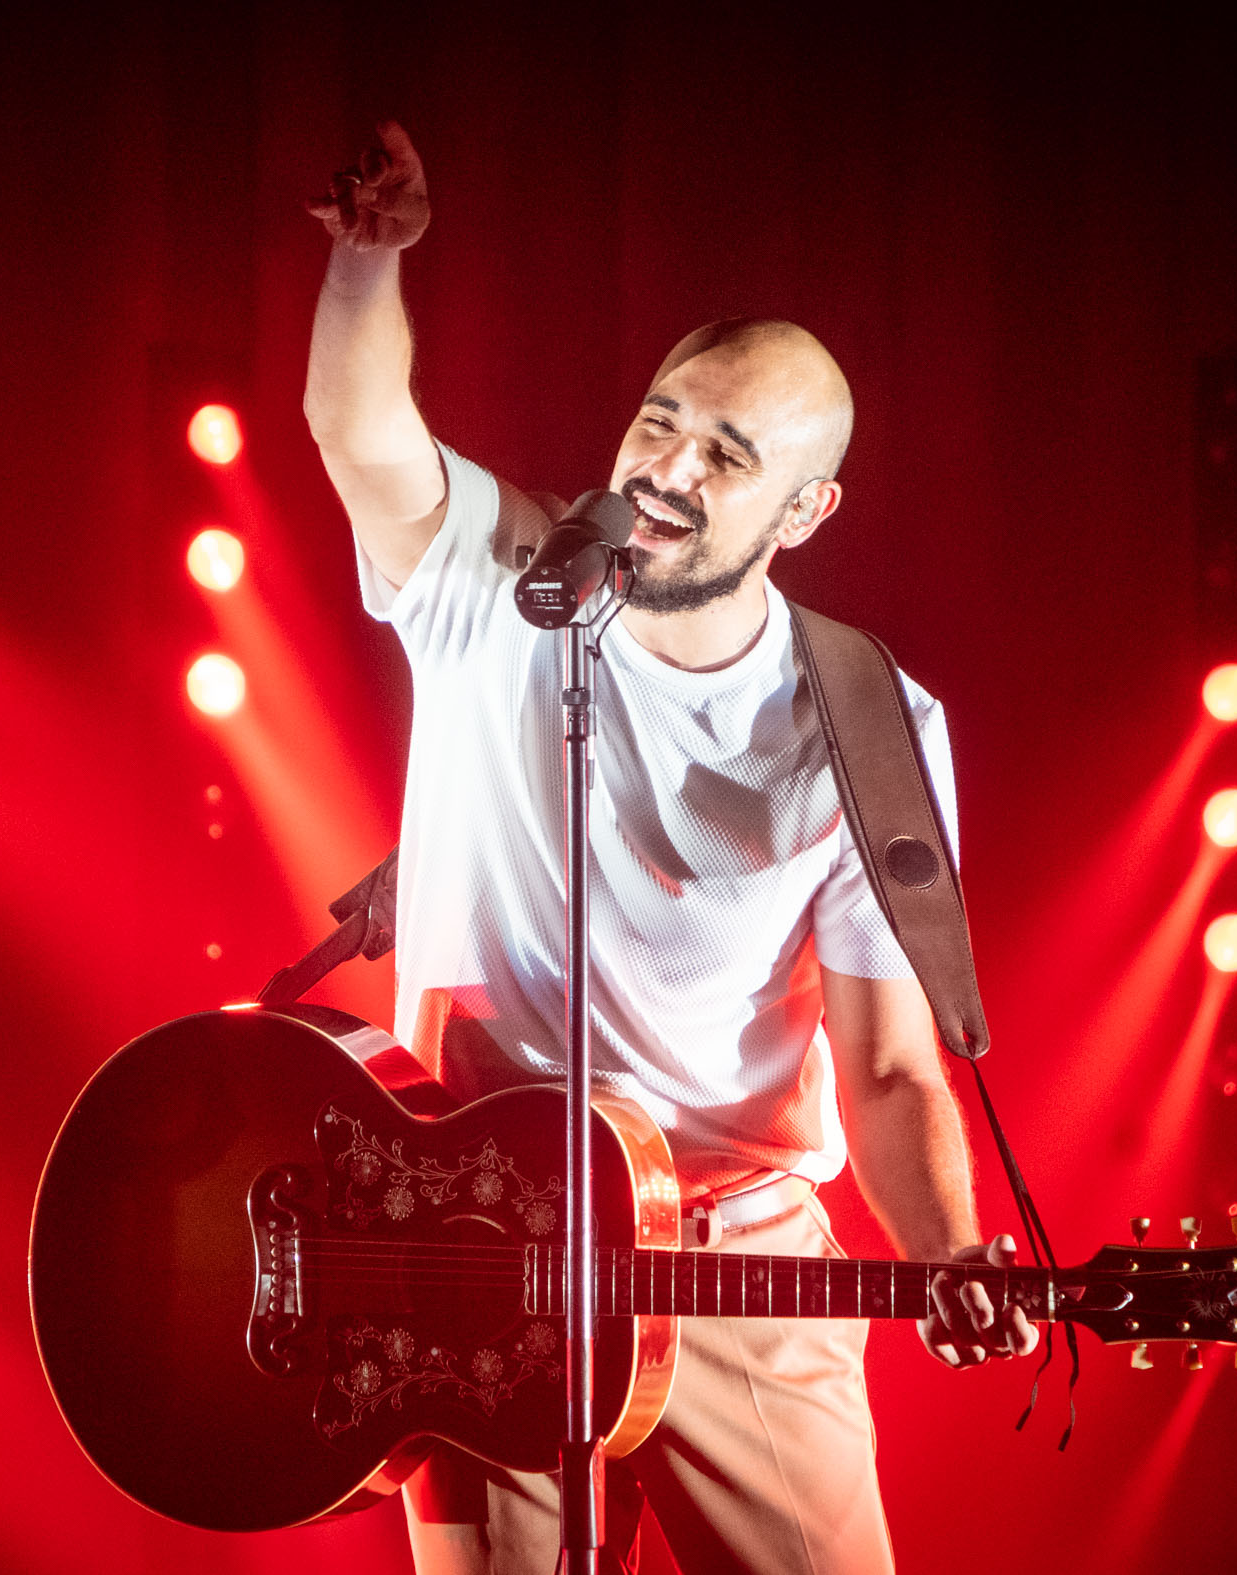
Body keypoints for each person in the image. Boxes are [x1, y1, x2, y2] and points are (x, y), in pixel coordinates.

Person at [301, 122, 1039, 1575]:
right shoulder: (494, 585)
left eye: (726, 451)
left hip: (734, 1252)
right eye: (659, 421)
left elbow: (887, 1064)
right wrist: (365, 265)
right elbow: (360, 433)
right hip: (481, 1242)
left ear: (803, 510)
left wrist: (948, 1247)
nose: (670, 466)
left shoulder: (867, 727)